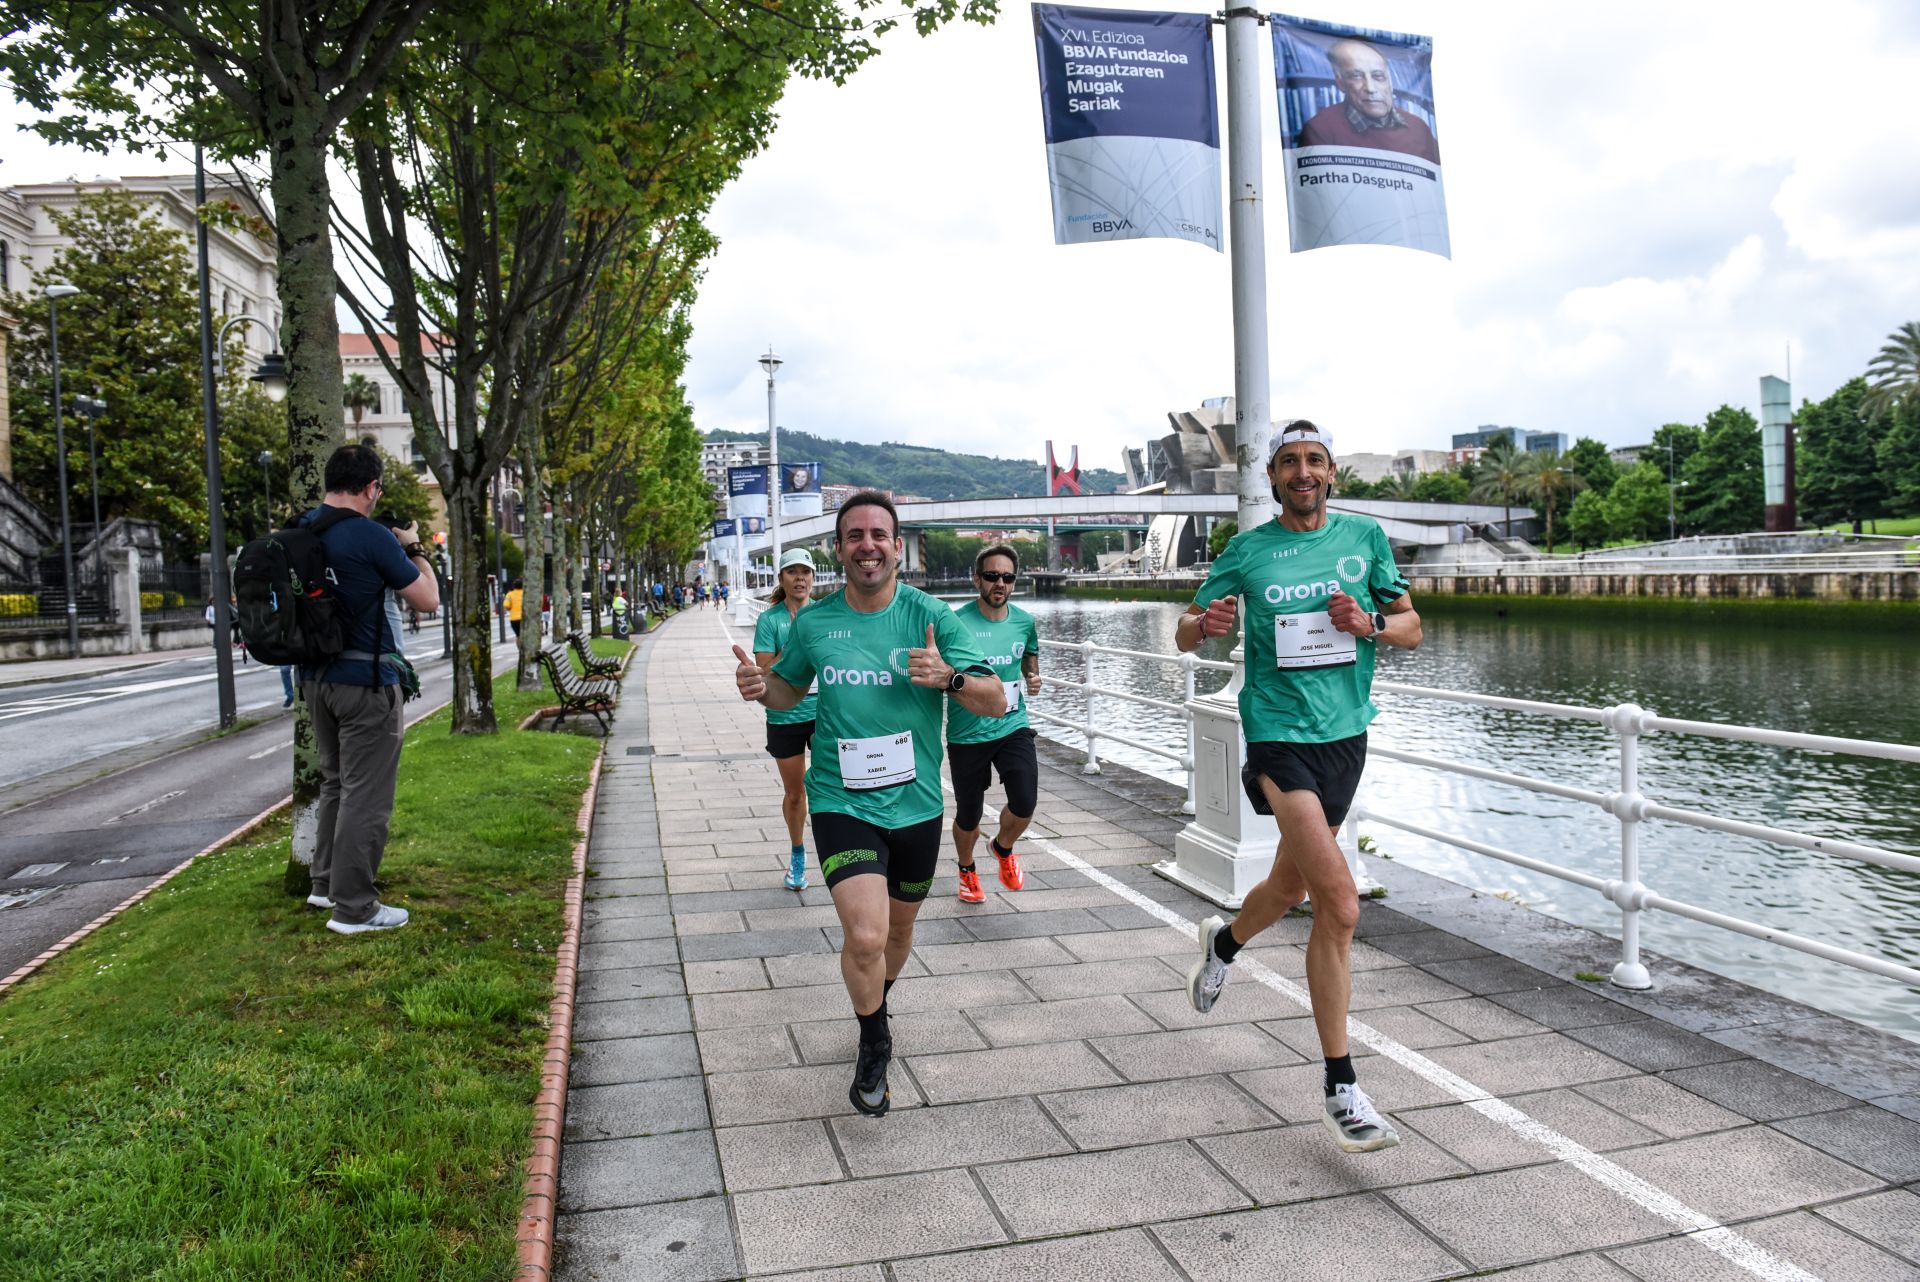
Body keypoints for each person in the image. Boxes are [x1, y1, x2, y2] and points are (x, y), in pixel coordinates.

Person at [1175, 419, 1420, 1153]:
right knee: (1338, 903)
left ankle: (1224, 945)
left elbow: (1412, 627)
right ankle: (1341, 1086)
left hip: (1345, 735)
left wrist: (1371, 621)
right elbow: (1188, 628)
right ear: (1273, 478)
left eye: (1314, 461)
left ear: (1332, 474)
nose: (1303, 472)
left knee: (1286, 887)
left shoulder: (1364, 539)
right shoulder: (1247, 551)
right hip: (1278, 736)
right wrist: (1205, 623)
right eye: (1289, 462)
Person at [733, 491, 1003, 1118]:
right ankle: (874, 1037)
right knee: (866, 934)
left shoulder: (931, 616)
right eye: (855, 536)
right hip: (839, 799)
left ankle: (873, 1001)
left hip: (915, 804)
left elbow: (995, 700)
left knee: (899, 932)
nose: (868, 546)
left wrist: (951, 678)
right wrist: (758, 687)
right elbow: (786, 689)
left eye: (879, 535)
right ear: (839, 547)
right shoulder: (814, 622)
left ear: (896, 544)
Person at [298, 443, 440, 936]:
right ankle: (354, 908)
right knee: (367, 795)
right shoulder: (373, 536)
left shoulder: (300, 529)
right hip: (366, 683)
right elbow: (428, 598)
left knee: (336, 782)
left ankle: (324, 884)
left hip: (316, 680)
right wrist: (414, 547)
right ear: (371, 488)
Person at [945, 544, 1042, 904]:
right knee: (968, 814)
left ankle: (1002, 847)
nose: (999, 583)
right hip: (967, 732)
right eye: (991, 576)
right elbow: (942, 673)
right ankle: (967, 869)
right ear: (977, 579)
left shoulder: (1025, 621)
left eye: (1007, 577)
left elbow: (1029, 658)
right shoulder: (955, 623)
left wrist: (1033, 677)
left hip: (1012, 724)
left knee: (1025, 800)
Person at [755, 548, 820, 892]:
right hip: (785, 715)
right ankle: (797, 854)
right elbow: (765, 671)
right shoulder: (770, 620)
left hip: (825, 713)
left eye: (805, 572)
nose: (800, 578)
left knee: (833, 787)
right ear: (781, 579)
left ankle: (840, 850)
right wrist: (794, 643)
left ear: (813, 578)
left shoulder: (825, 615)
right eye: (792, 572)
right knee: (796, 794)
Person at [1296, 37, 1440, 164]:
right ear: (1340, 83)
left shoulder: (1419, 128)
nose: (1371, 88)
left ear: (1390, 82)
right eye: (1356, 76)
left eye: (1378, 76)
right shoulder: (1320, 131)